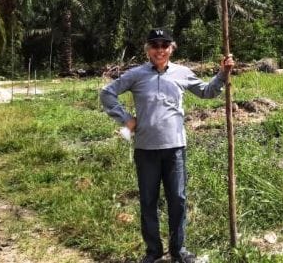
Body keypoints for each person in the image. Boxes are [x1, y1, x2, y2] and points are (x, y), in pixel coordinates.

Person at [100, 28, 234, 263]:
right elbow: (107, 93)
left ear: (172, 48)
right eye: (154, 45)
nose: (160, 50)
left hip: (175, 149)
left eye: (164, 45)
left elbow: (206, 92)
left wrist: (223, 73)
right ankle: (153, 252)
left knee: (178, 200)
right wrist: (126, 119)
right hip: (145, 150)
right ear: (147, 49)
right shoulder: (136, 74)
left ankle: (178, 251)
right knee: (148, 201)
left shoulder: (182, 73)